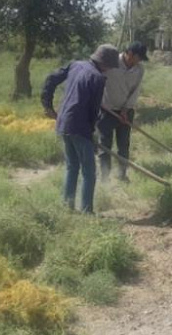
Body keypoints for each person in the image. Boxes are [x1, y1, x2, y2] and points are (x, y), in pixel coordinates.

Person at [41, 44, 120, 214]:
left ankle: (67, 207)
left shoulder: (75, 65)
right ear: (105, 63)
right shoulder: (98, 78)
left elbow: (51, 79)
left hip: (63, 122)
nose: (109, 70)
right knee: (89, 172)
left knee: (72, 166)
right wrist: (91, 135)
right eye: (110, 67)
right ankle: (86, 211)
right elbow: (93, 111)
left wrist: (47, 104)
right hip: (79, 126)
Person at [97, 42, 148, 182]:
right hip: (107, 110)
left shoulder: (139, 69)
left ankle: (122, 175)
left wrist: (125, 110)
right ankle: (105, 178)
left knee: (123, 145)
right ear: (130, 54)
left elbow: (135, 91)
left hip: (126, 111)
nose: (140, 61)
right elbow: (98, 81)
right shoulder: (111, 62)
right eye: (139, 57)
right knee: (104, 145)